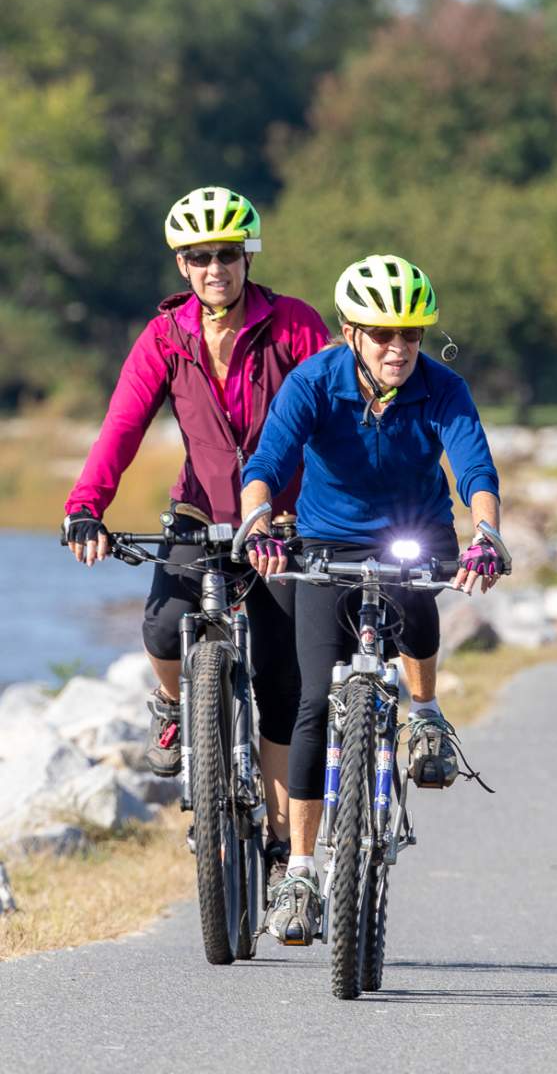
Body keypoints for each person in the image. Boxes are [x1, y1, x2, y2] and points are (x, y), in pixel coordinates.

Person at [62, 185, 330, 880]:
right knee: (161, 628)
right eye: (201, 257)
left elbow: (334, 413)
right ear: (183, 264)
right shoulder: (166, 337)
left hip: (284, 523)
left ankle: (280, 847)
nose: (216, 269)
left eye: (228, 255)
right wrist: (86, 505)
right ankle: (173, 704)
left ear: (248, 258)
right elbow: (123, 425)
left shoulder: (295, 325)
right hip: (200, 514)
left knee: (283, 682)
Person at [240, 253, 506, 944]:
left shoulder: (442, 387)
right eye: (383, 334)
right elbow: (267, 462)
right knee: (312, 703)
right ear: (351, 331)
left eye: (411, 334)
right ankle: (300, 872)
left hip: (414, 533)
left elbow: (474, 467)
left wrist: (487, 533)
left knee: (416, 601)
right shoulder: (315, 381)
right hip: (327, 544)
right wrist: (257, 521)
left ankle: (425, 713)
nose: (399, 347)